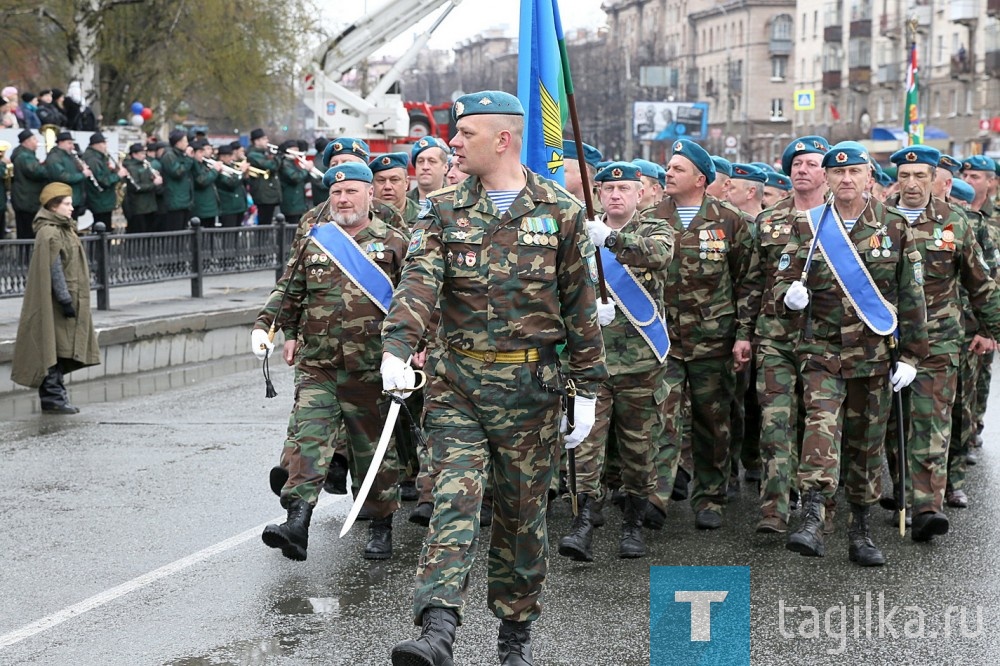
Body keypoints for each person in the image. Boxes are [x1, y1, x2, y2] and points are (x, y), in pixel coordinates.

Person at [384, 91, 607, 666]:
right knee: (454, 498)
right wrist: (398, 345)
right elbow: (419, 281)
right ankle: (438, 628)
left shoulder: (559, 211)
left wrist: (587, 390)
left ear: (502, 139)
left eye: (466, 134)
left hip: (531, 389)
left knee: (520, 517)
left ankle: (515, 637)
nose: (453, 143)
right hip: (457, 382)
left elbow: (580, 306)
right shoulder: (443, 208)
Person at [777, 141, 928, 566]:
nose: (845, 179)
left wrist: (913, 356)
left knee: (865, 445)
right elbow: (781, 280)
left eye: (854, 172)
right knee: (820, 430)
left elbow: (911, 295)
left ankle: (860, 529)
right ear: (827, 177)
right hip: (821, 352)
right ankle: (812, 514)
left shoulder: (894, 226)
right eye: (837, 172)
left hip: (874, 355)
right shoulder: (808, 226)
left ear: (869, 178)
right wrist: (788, 298)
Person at [253, 162, 408, 562]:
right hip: (318, 363)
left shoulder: (394, 241)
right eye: (336, 193)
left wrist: (414, 348)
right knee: (309, 440)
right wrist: (267, 327)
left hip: (373, 365)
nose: (342, 199)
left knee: (371, 449)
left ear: (369, 194)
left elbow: (414, 300)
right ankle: (297, 522)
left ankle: (380, 523)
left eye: (351, 192)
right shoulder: (316, 240)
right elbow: (288, 290)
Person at [879, 145, 1000, 541]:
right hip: (886, 342)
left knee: (931, 425)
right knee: (893, 426)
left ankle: (927, 507)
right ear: (897, 179)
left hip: (939, 341)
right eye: (906, 176)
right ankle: (903, 490)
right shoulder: (878, 220)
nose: (912, 184)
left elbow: (979, 283)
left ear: (936, 180)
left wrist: (994, 327)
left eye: (921, 177)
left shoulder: (955, 222)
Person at [557, 161, 673, 562]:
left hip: (640, 362)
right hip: (593, 360)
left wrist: (611, 241)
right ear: (599, 194)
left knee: (639, 449)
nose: (616, 195)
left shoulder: (654, 229)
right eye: (608, 189)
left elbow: (658, 256)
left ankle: (634, 523)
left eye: (625, 188)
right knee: (585, 444)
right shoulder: (581, 233)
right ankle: (584, 520)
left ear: (640, 193)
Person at [646, 139, 754, 532]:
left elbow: (747, 282)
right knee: (663, 417)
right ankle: (655, 497)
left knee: (713, 422)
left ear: (700, 179)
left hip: (714, 341)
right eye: (668, 167)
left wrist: (744, 334)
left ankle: (710, 497)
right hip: (664, 342)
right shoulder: (651, 216)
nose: (668, 173)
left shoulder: (730, 220)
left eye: (677, 168)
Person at [743, 135, 830, 534]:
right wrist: (744, 334)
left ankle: (816, 504)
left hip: (825, 341)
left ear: (826, 172)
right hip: (774, 338)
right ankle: (774, 508)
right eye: (796, 164)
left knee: (818, 423)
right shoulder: (769, 219)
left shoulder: (840, 220)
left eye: (811, 164)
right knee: (774, 422)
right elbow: (752, 283)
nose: (801, 170)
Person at [10, 183, 101, 413]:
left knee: (59, 348)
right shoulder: (49, 231)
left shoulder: (62, 228)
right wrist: (65, 299)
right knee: (51, 346)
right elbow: (53, 268)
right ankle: (53, 398)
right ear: (53, 205)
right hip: (57, 302)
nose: (72, 207)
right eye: (67, 204)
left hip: (65, 299)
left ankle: (57, 396)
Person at [10, 129, 51, 239]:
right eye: (34, 139)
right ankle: (26, 256)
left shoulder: (25, 155)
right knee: (27, 233)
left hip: (25, 199)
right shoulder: (24, 156)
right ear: (26, 142)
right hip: (26, 200)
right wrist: (48, 166)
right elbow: (36, 172)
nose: (37, 141)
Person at [82, 132, 127, 228]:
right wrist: (118, 175)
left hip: (103, 200)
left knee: (104, 227)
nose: (106, 146)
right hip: (100, 200)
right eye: (104, 143)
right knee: (103, 228)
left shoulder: (99, 157)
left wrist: (113, 170)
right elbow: (102, 181)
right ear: (96, 144)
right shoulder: (93, 159)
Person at [45, 131, 92, 220]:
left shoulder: (70, 156)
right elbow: (61, 176)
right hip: (62, 200)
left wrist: (83, 168)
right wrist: (82, 175)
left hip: (73, 199)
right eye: (69, 143)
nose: (73, 147)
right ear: (61, 143)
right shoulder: (54, 157)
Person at [158, 130, 194, 231]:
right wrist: (188, 159)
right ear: (178, 143)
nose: (187, 144)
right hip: (175, 200)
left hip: (185, 200)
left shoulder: (181, 155)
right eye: (185, 141)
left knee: (183, 229)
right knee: (175, 230)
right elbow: (177, 172)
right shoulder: (169, 155)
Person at [122, 143, 162, 234]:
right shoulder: (131, 167)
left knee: (148, 230)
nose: (144, 155)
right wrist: (154, 184)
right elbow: (136, 187)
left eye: (144, 153)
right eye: (142, 153)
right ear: (134, 154)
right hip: (138, 207)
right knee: (138, 230)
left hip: (149, 205)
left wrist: (153, 177)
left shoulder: (145, 165)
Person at [371, 152, 421, 222]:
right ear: (372, 185)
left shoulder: (423, 218)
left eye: (394, 180)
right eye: (381, 180)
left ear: (406, 183)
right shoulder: (364, 217)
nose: (387, 187)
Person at [246, 128, 282, 225]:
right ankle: (262, 240)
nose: (267, 141)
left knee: (268, 221)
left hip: (268, 193)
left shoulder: (263, 153)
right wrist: (276, 157)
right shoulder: (253, 154)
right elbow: (272, 166)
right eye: (264, 139)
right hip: (263, 194)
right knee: (264, 222)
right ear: (257, 141)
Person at [190, 139, 221, 228]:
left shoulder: (203, 164)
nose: (202, 155)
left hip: (210, 208)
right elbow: (202, 181)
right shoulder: (193, 165)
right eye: (200, 152)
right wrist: (215, 171)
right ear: (193, 153)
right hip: (201, 208)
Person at [278, 140, 310, 227]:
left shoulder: (293, 163)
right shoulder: (284, 163)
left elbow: (303, 179)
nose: (297, 152)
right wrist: (306, 169)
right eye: (294, 149)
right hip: (291, 204)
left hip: (298, 203)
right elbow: (295, 178)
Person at [408, 137, 449, 204]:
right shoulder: (402, 203)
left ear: (445, 167)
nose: (425, 167)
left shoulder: (456, 202)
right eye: (420, 161)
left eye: (432, 161)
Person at [215, 144, 248, 227]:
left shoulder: (233, 166)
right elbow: (231, 183)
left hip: (239, 206)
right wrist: (241, 172)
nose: (231, 158)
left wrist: (246, 175)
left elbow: (243, 183)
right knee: (229, 235)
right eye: (229, 156)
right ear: (221, 157)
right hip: (228, 208)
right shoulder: (220, 169)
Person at [562, 139, 602, 204]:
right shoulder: (550, 210)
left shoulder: (609, 210)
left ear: (583, 173)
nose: (555, 176)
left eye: (563, 171)